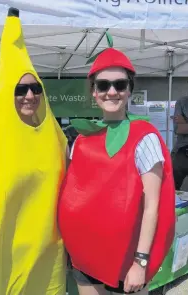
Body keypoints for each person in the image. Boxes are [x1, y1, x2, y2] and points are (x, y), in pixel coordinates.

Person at [0, 8, 68, 295]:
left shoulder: (55, 136)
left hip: (49, 258)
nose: (29, 96)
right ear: (8, 93)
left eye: (34, 88)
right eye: (20, 90)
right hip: (7, 260)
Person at [58, 48, 175, 295]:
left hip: (127, 261)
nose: (112, 92)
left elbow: (153, 204)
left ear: (129, 89)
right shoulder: (82, 138)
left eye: (120, 84)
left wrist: (140, 262)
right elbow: (75, 193)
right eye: (103, 85)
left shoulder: (145, 137)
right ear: (94, 91)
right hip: (84, 257)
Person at [172, 96, 188, 190]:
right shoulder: (182, 102)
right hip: (182, 152)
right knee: (170, 189)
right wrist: (183, 125)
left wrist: (185, 121)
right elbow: (178, 129)